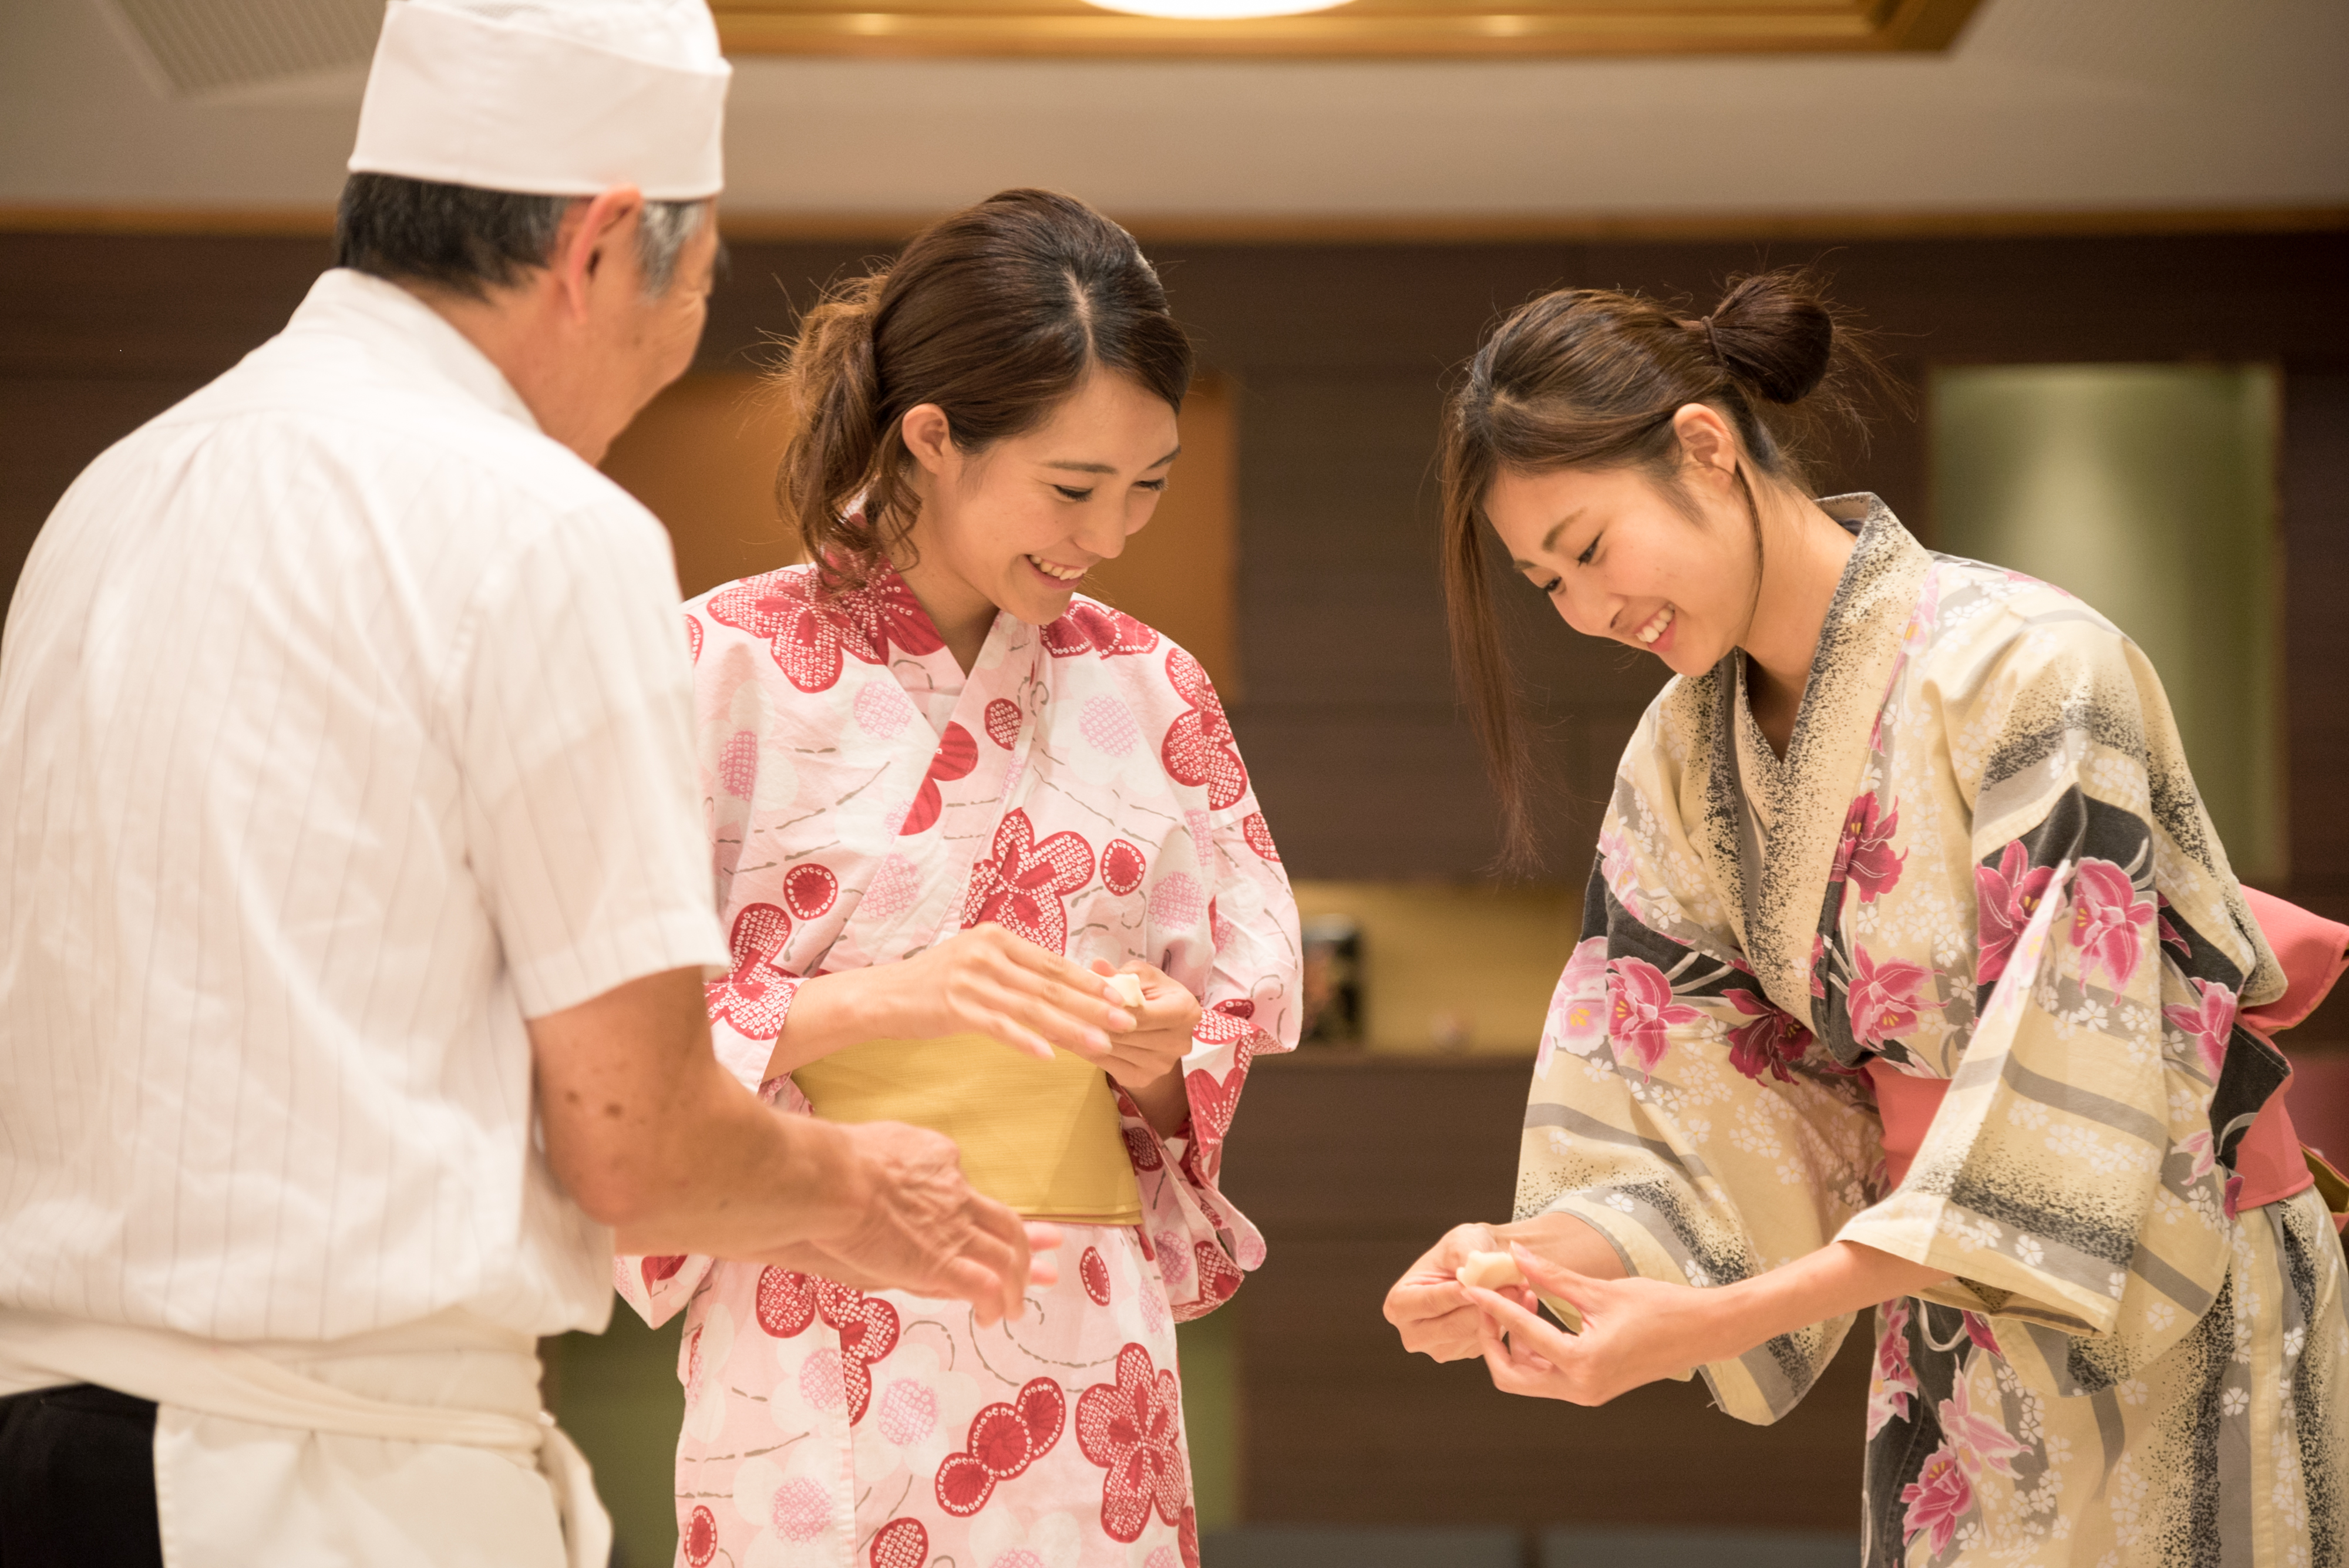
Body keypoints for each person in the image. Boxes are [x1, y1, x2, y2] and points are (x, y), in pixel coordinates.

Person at [0, 5, 1044, 1564]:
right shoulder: (546, 526)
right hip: (318, 1480)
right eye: (696, 286)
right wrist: (862, 1179)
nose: (683, 328)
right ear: (605, 241)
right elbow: (641, 1139)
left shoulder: (119, 490)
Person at [1381, 270, 2347, 1565]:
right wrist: (1526, 1263)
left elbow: (2085, 1094)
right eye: (1544, 582)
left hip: (2173, 1286)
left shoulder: (2031, 668)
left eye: (1590, 548)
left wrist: (1714, 1321)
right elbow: (1682, 1092)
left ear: (1704, 449)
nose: (1586, 612)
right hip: (1940, 1312)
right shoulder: (1680, 756)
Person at [615, 188, 1300, 1568]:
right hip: (811, 1301)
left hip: (1080, 1329)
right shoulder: (718, 665)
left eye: (1145, 486)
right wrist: (886, 1003)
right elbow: (612, 1039)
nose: (1107, 534)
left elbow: (1208, 1046)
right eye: (1070, 487)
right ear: (931, 436)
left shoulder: (1153, 686)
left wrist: (1157, 1052)